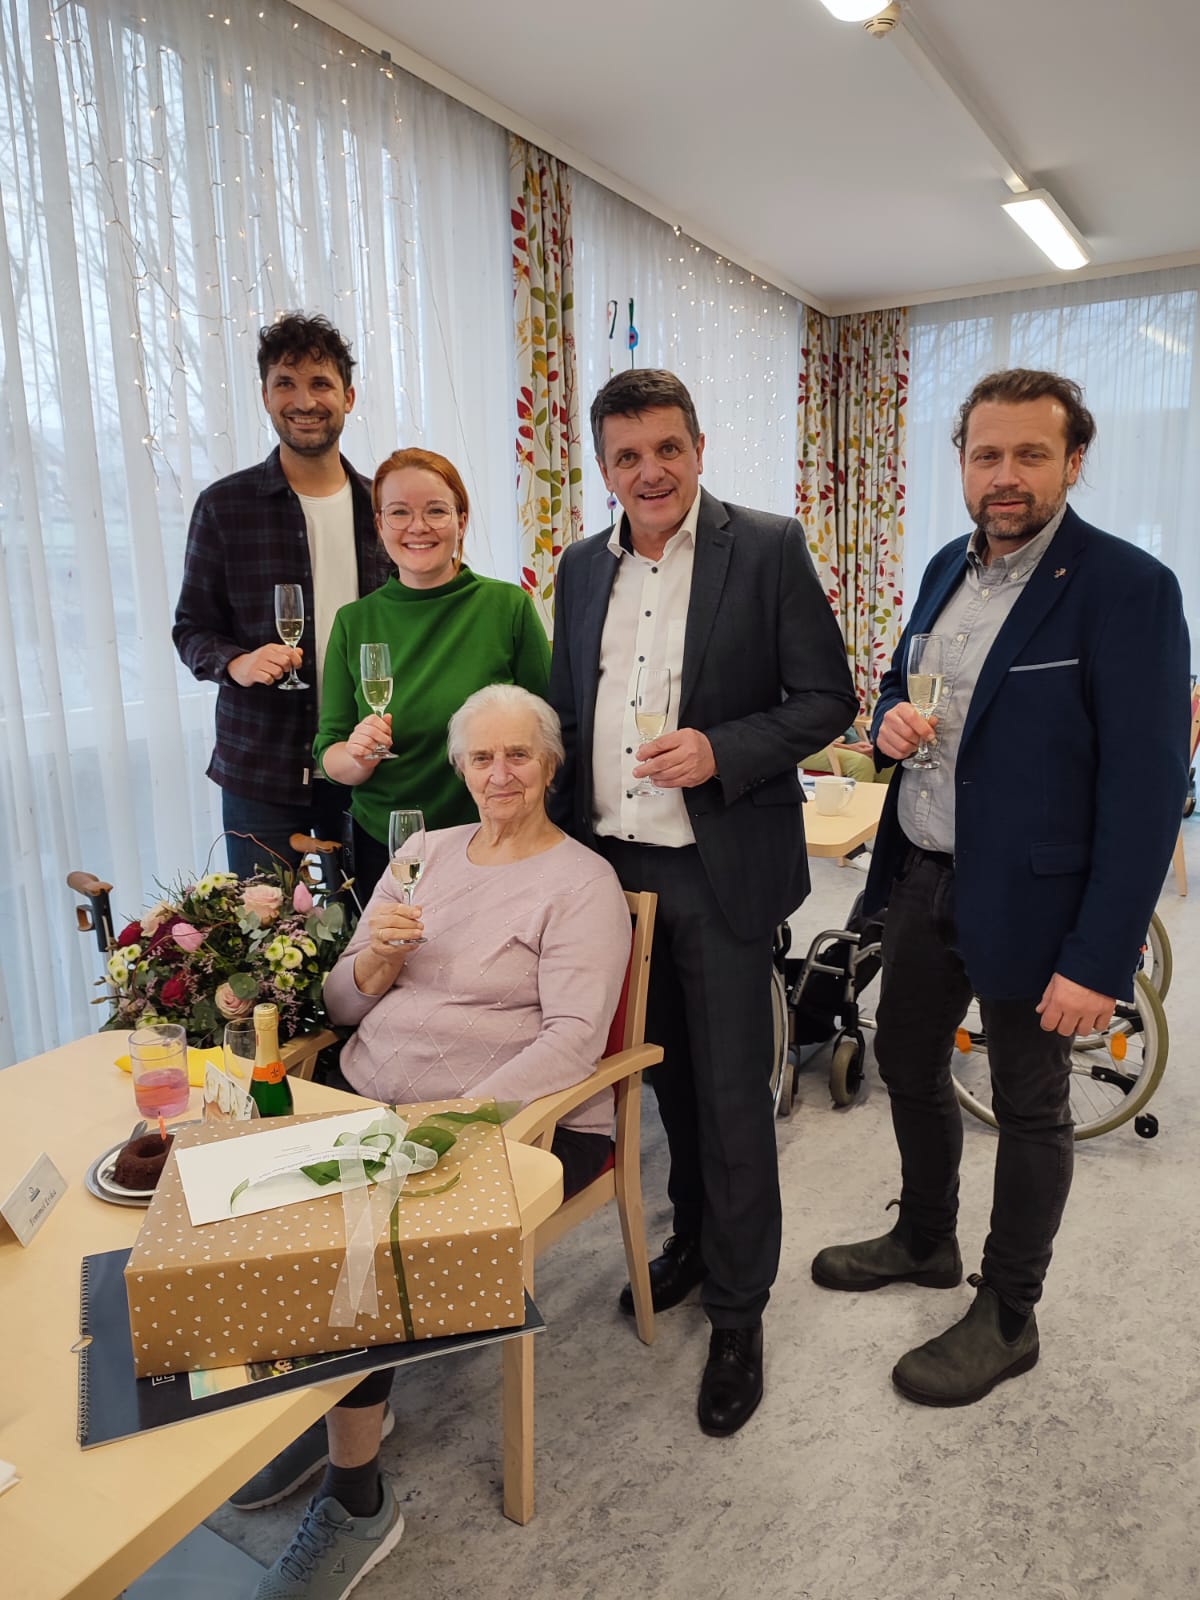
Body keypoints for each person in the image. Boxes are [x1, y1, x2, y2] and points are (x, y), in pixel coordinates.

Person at [811, 369, 1191, 1406]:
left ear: (1075, 461)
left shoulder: (1130, 587)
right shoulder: (946, 566)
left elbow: (1148, 791)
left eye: (1031, 453)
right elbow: (903, 689)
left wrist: (1099, 958)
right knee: (905, 1058)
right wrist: (888, 721)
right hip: (924, 875)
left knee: (1029, 1105)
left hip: (1040, 903)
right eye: (987, 454)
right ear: (962, 463)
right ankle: (924, 1238)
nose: (1006, 475)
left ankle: (1010, 1311)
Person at [241, 685, 631, 1598]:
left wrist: (450, 1122)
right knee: (258, 1194)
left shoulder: (582, 883)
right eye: (481, 757)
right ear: (459, 768)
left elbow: (573, 1042)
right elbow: (341, 1003)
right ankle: (335, 1397)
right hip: (370, 1097)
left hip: (520, 1125)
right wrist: (378, 956)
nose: (501, 774)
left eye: (519, 755)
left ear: (550, 764)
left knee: (360, 1237)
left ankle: (358, 1500)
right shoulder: (422, 853)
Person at [548, 369, 857, 1437]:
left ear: (699, 447)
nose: (651, 472)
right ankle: (691, 1239)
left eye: (667, 448)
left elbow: (827, 697)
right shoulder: (578, 566)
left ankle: (739, 1310)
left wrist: (722, 749)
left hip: (716, 872)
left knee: (731, 1101)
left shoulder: (766, 547)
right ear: (603, 467)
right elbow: (568, 706)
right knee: (665, 1086)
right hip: (611, 878)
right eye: (627, 456)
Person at [174, 313, 391, 879]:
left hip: (366, 763)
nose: (304, 401)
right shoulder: (224, 506)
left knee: (372, 922)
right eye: (285, 384)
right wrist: (237, 663)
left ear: (348, 396)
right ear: (266, 396)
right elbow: (191, 628)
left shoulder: (384, 509)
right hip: (261, 768)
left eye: (320, 384)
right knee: (267, 927)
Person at [313, 448, 551, 902]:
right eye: (399, 512)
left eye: (436, 511)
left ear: (461, 520)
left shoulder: (508, 607)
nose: (417, 526)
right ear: (379, 524)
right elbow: (329, 754)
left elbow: (551, 732)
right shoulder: (353, 622)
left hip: (494, 839)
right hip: (388, 847)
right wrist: (359, 757)